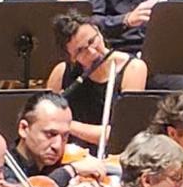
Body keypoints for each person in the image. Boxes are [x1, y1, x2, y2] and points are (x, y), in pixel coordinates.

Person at [46, 12, 148, 146]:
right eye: (81, 50)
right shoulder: (61, 72)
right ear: (71, 57)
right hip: (70, 153)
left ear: (98, 32)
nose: (93, 52)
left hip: (111, 156)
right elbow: (44, 120)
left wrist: (66, 125)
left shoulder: (133, 68)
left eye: (92, 41)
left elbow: (120, 134)